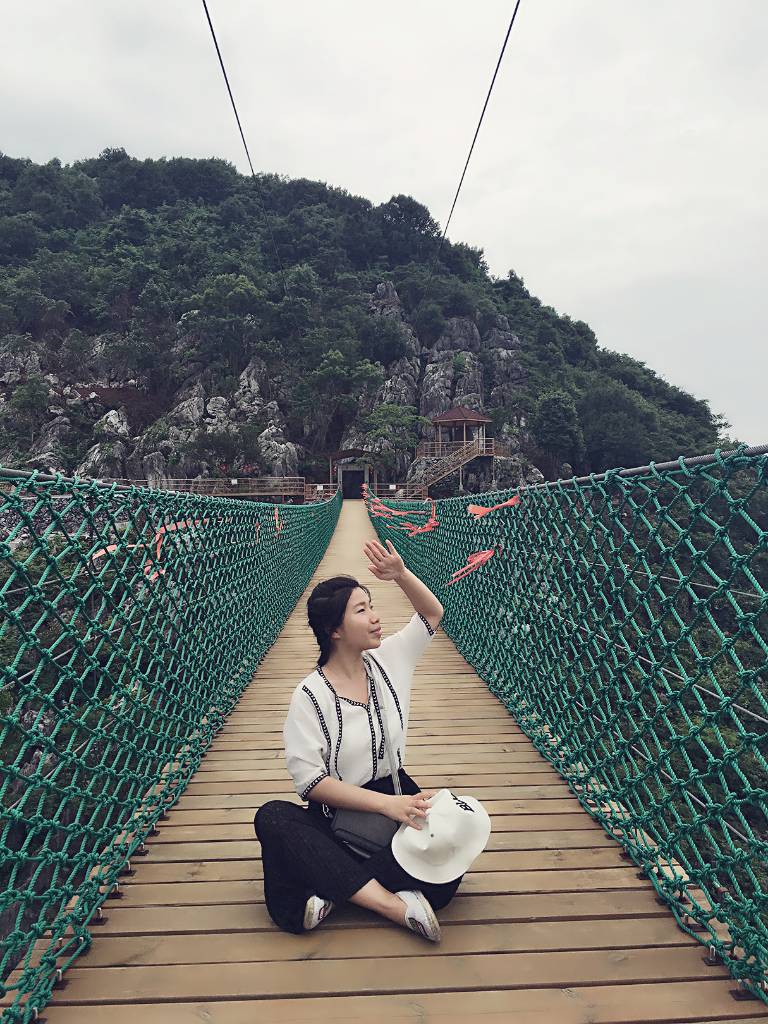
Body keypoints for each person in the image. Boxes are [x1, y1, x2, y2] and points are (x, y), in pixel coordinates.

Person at [253, 537, 459, 942]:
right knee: (272, 817)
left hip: (397, 791)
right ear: (334, 630)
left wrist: (400, 574)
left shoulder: (390, 659)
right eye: (361, 610)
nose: (376, 618)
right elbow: (311, 784)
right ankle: (394, 906)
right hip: (338, 812)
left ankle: (332, 884)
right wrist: (386, 806)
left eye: (371, 606)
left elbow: (432, 613)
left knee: (450, 871)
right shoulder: (309, 695)